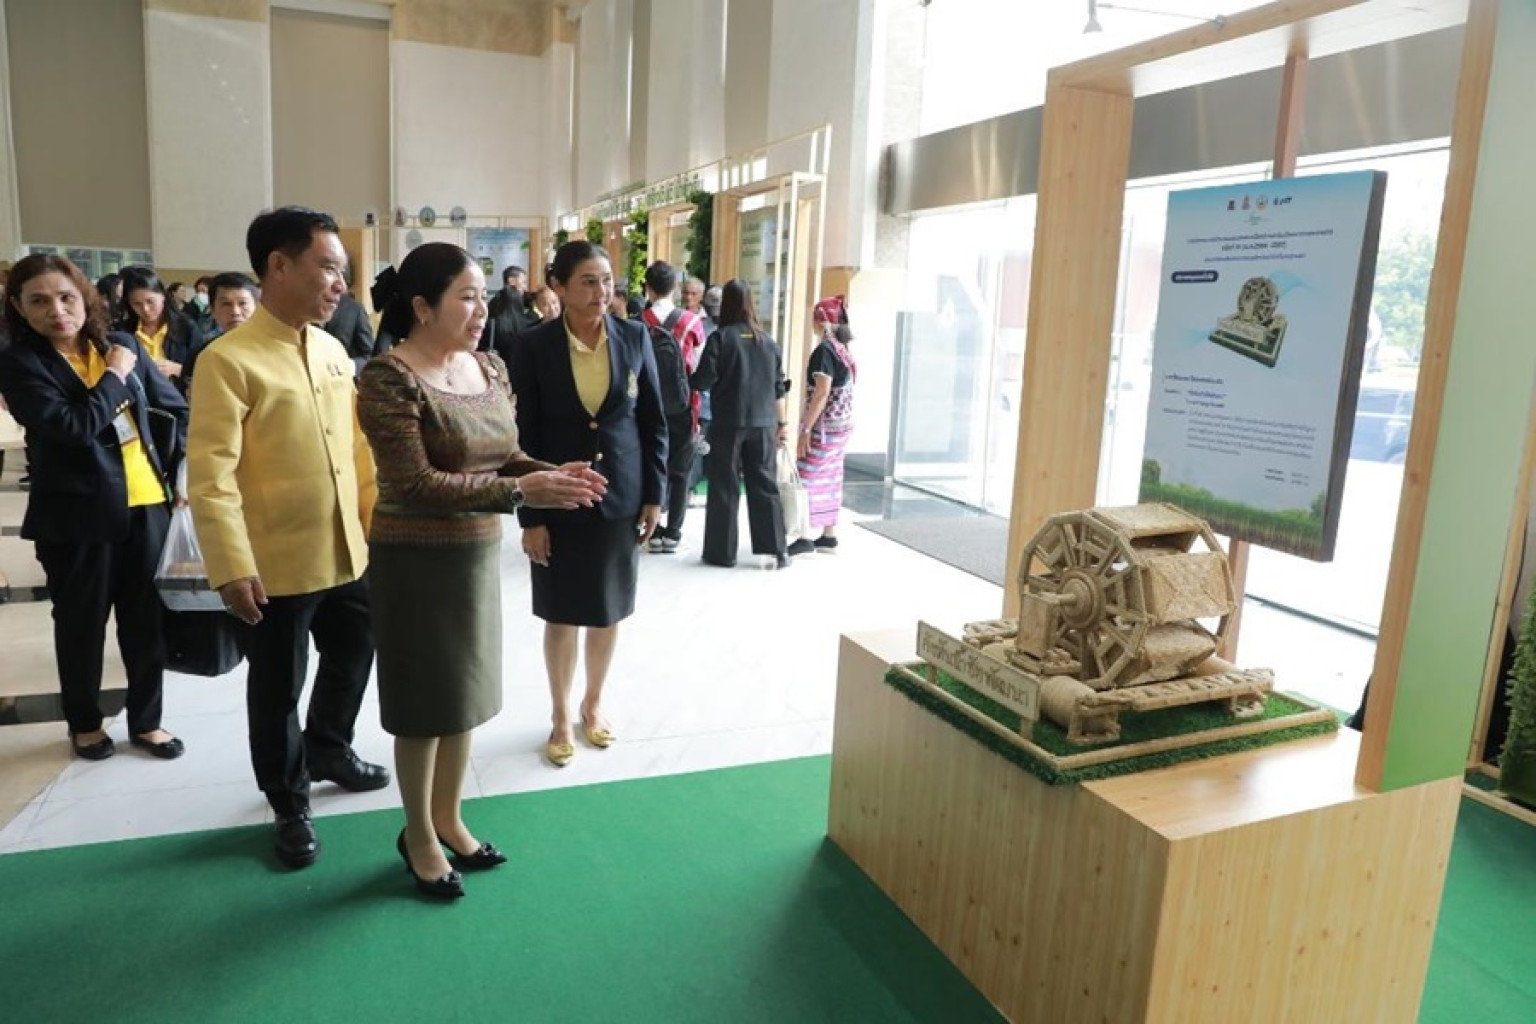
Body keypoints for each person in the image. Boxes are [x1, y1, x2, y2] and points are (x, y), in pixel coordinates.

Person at [358, 243, 606, 898]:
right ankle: (418, 834)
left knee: (463, 696)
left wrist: (547, 473)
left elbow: (505, 455)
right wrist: (524, 492)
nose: (482, 310)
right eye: (465, 297)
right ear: (422, 307)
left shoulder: (488, 365)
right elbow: (416, 483)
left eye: (481, 296)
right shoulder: (388, 377)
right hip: (414, 562)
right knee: (423, 705)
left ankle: (449, 818)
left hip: (472, 557)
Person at [188, 206, 388, 870]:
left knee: (355, 651)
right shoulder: (227, 360)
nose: (340, 284)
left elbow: (356, 451)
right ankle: (288, 800)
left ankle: (329, 746)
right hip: (273, 563)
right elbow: (210, 476)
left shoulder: (331, 350)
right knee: (277, 687)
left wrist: (373, 527)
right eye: (328, 268)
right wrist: (229, 564)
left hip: (346, 551)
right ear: (278, 265)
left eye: (342, 272)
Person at [0, 254, 187, 761]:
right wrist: (115, 378)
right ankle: (84, 724)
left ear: (85, 299)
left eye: (66, 297)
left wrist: (179, 471)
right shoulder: (20, 364)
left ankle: (148, 722)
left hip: (147, 504)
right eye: (39, 301)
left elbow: (173, 407)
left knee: (146, 623)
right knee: (81, 625)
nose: (57, 310)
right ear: (19, 307)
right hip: (77, 517)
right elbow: (73, 427)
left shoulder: (120, 344)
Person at [509, 240, 667, 768]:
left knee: (607, 610)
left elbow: (653, 422)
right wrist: (531, 515)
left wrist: (654, 494)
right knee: (561, 614)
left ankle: (592, 704)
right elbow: (523, 434)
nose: (601, 291)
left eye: (607, 281)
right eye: (588, 281)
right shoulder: (533, 345)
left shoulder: (634, 335)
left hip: (620, 494)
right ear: (558, 286)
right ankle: (559, 715)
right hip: (558, 497)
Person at [690, 279, 790, 569]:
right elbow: (779, 388)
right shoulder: (768, 342)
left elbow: (703, 380)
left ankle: (722, 553)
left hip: (728, 422)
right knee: (765, 484)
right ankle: (776, 550)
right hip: (764, 423)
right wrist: (782, 423)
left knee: (724, 485)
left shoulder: (720, 338)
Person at [639, 261, 707, 553]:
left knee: (650, 464)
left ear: (648, 288)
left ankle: (651, 530)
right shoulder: (691, 322)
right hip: (683, 405)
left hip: (646, 406)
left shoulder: (638, 322)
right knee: (680, 470)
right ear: (675, 288)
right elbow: (700, 366)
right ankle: (673, 532)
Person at [788, 297, 857, 556]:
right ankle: (829, 535)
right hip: (842, 426)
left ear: (821, 320)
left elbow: (821, 392)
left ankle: (804, 536)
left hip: (824, 427)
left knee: (805, 475)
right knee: (832, 477)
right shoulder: (842, 349)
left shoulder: (825, 351)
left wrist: (805, 429)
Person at [120, 266, 207, 394]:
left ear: (163, 296)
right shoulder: (124, 331)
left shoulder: (186, 328)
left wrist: (179, 369)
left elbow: (206, 370)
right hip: (138, 398)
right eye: (137, 304)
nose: (145, 309)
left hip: (178, 398)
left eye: (150, 301)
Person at [204, 272, 258, 340]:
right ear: (212, 310)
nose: (235, 312)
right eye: (226, 304)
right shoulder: (210, 346)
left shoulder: (269, 344)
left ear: (257, 308)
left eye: (243, 303)